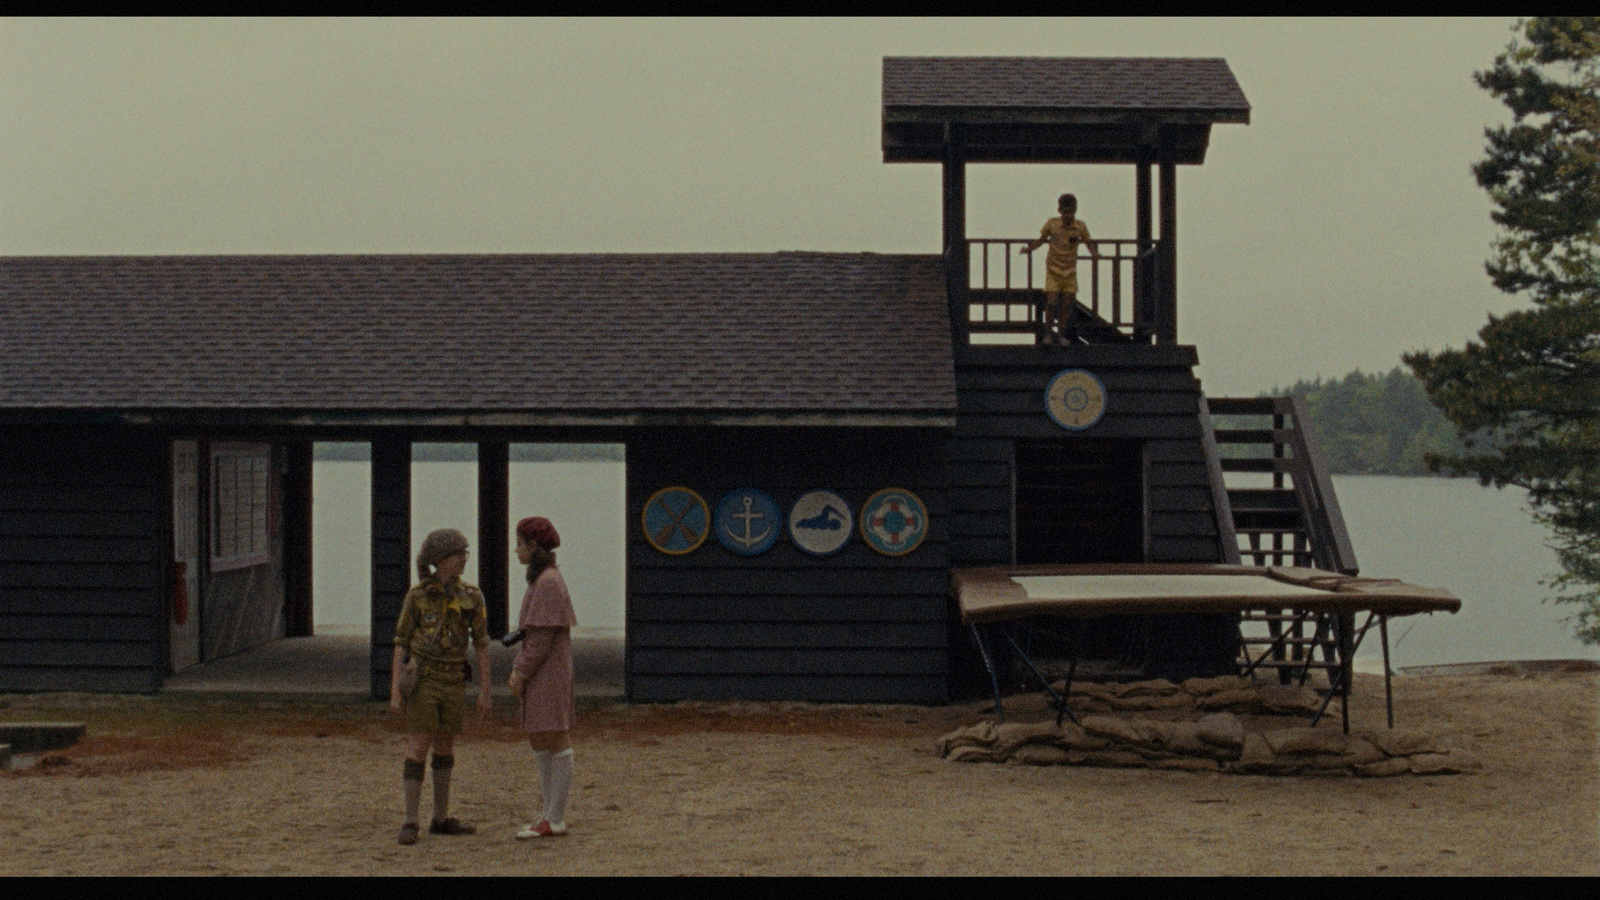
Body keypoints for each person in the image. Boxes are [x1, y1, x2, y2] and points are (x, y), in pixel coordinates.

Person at [389, 528, 492, 846]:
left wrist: (486, 690)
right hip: (425, 680)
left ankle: (440, 817)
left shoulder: (472, 596)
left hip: (453, 680)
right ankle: (409, 819)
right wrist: (395, 690)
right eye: (457, 554)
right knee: (418, 746)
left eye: (465, 554)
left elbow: (482, 643)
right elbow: (401, 643)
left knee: (446, 747)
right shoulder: (418, 596)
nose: (463, 560)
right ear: (439, 560)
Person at [508, 515, 578, 839]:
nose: (516, 550)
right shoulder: (544, 579)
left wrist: (520, 671)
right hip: (545, 672)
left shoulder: (548, 581)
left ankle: (555, 816)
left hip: (548, 673)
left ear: (534, 546)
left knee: (555, 735)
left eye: (520, 544)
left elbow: (539, 638)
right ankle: (549, 812)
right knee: (541, 736)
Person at [1021, 193, 1097, 346]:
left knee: (1067, 305)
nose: (1069, 215)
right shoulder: (1052, 224)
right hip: (1053, 270)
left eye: (1072, 212)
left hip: (1070, 271)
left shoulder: (1080, 226)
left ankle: (1061, 334)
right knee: (1051, 303)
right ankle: (1048, 333)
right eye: (1066, 212)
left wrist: (1095, 254)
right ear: (1060, 210)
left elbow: (1089, 243)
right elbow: (1041, 240)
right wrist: (1029, 249)